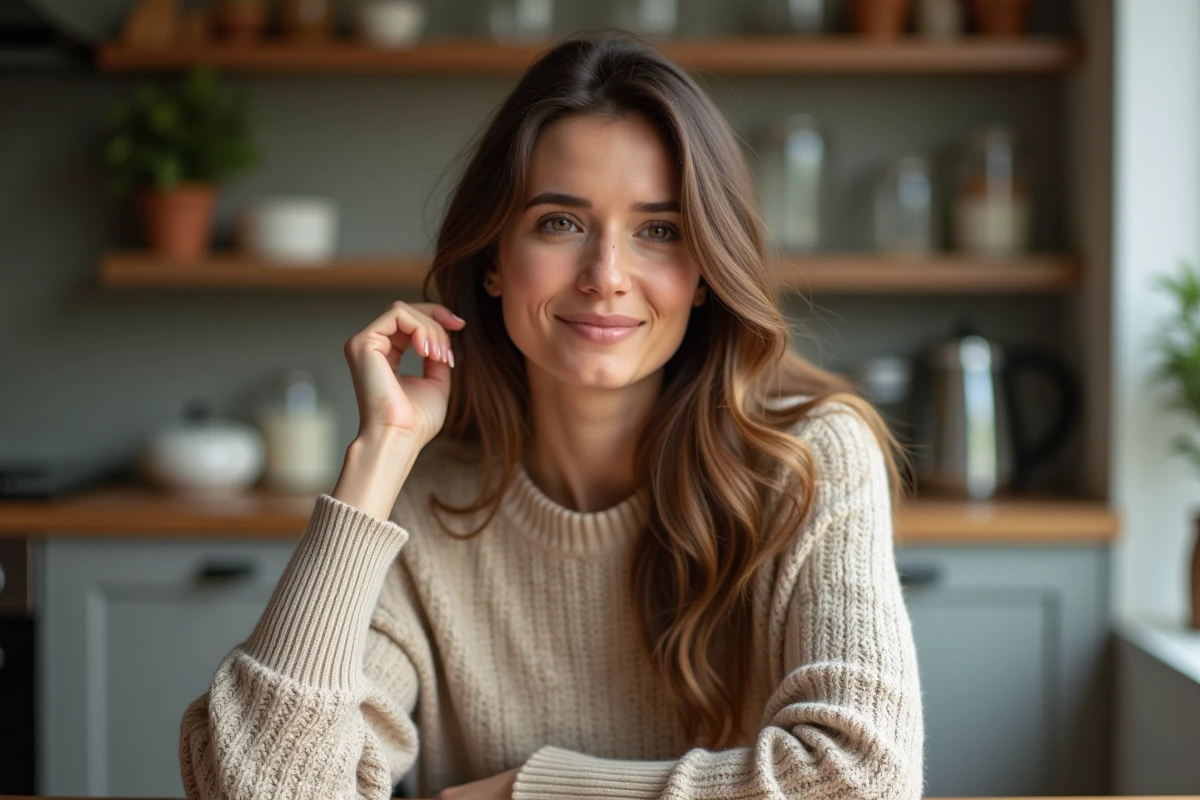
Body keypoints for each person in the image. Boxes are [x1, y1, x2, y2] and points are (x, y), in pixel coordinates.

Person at [179, 31, 924, 800]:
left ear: (704, 272)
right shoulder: (424, 503)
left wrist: (523, 792)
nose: (606, 276)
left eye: (659, 231)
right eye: (561, 223)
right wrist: (379, 460)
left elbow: (866, 780)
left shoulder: (810, 459)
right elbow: (260, 788)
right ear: (494, 261)